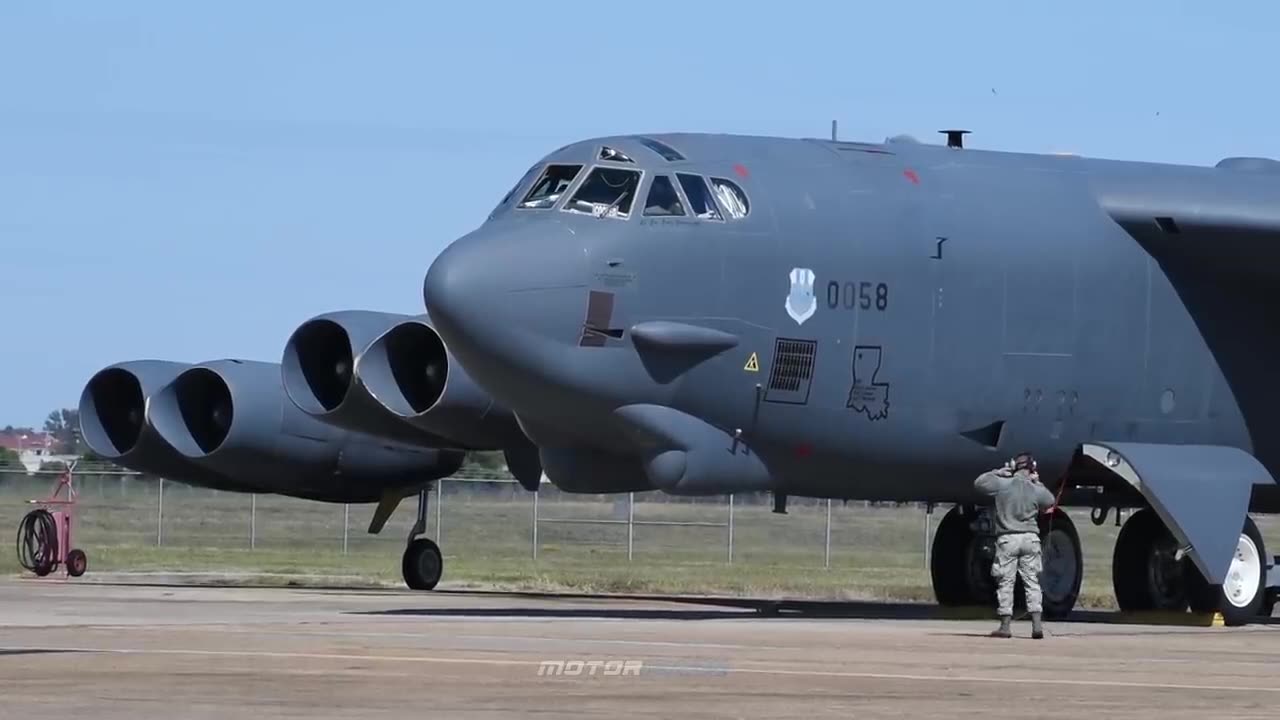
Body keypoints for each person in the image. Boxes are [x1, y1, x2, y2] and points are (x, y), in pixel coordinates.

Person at [974, 452, 1056, 639]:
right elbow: (1050, 500)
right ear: (1032, 468)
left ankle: (1005, 626)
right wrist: (1037, 482)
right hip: (1030, 538)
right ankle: (1036, 625)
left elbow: (980, 482)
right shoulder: (1035, 489)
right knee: (1032, 581)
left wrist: (999, 472)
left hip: (1008, 539)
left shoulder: (1003, 485)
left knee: (1005, 581)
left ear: (1014, 466)